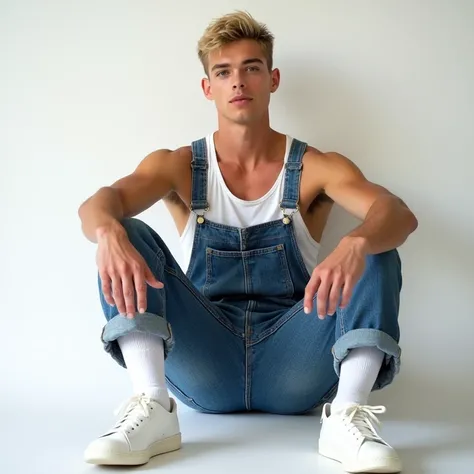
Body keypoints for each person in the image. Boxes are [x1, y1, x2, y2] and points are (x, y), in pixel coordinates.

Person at [78, 10, 417, 473]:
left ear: (272, 78)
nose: (239, 81)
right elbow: (102, 202)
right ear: (208, 87)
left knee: (377, 247)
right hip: (205, 360)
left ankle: (345, 417)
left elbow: (396, 212)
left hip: (293, 363)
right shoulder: (179, 166)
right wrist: (108, 231)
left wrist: (356, 242)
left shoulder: (315, 166)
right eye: (224, 71)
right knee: (125, 231)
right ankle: (154, 406)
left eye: (251, 68)